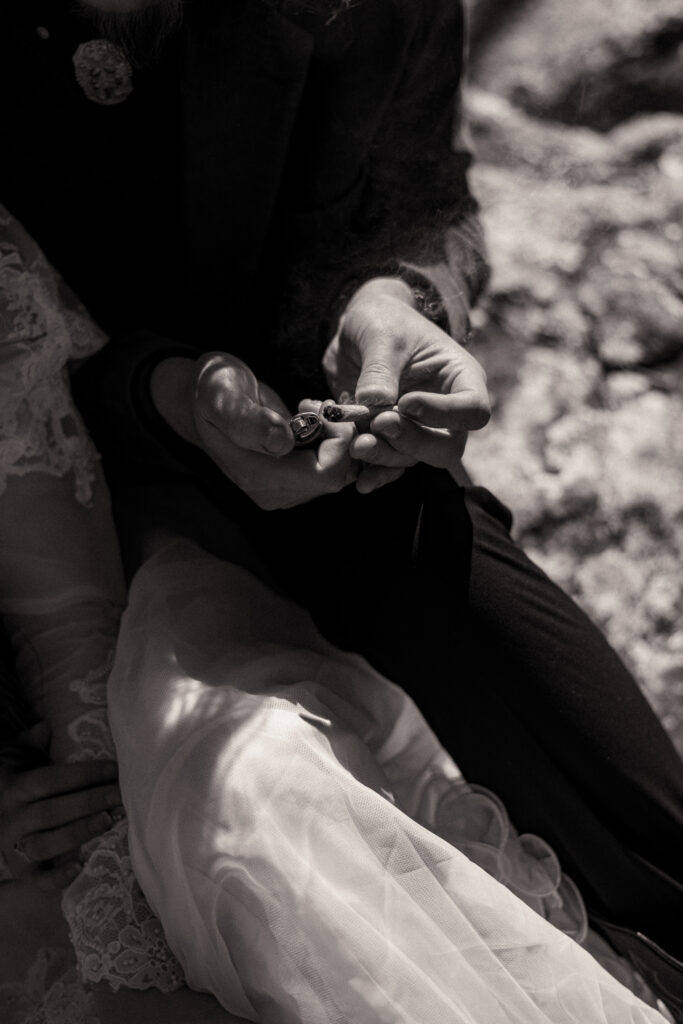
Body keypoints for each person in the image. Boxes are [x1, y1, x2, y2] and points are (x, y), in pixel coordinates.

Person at [1, 0, 682, 1005]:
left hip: (325, 470)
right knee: (252, 814)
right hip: (38, 575)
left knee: (630, 826)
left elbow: (427, 199)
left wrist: (396, 303)